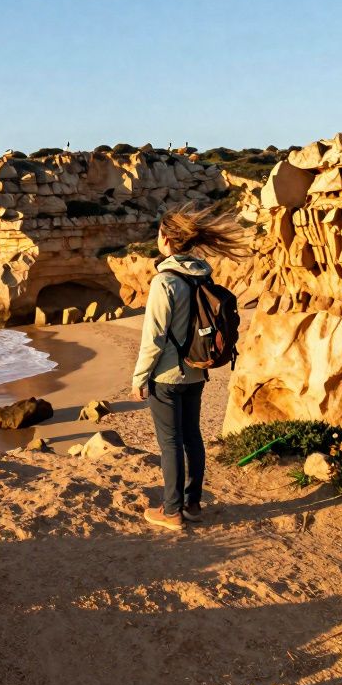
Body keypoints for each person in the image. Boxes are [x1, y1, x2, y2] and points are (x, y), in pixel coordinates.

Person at [131, 203, 247, 531]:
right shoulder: (201, 274)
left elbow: (153, 337)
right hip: (196, 371)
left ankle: (171, 512)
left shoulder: (164, 281)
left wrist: (140, 377)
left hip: (166, 376)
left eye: (158, 234)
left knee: (170, 443)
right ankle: (193, 504)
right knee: (192, 437)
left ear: (166, 240)